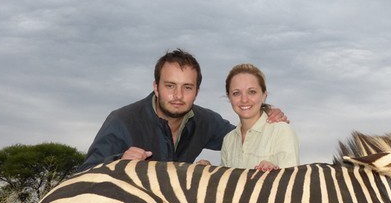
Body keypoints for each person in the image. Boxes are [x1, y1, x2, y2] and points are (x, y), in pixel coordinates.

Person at [78, 49, 287, 171]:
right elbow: (83, 175)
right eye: (170, 86)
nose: (178, 96)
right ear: (156, 87)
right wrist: (118, 162)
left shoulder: (205, 121)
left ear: (196, 91)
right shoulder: (122, 120)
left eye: (187, 87)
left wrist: (265, 111)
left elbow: (242, 135)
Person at [219, 63, 299, 171]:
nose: (244, 99)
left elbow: (292, 181)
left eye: (252, 92)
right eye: (236, 93)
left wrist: (273, 172)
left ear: (263, 96)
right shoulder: (228, 140)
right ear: (229, 97)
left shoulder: (282, 131)